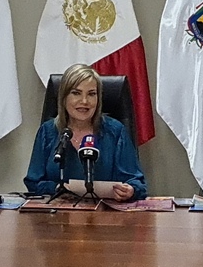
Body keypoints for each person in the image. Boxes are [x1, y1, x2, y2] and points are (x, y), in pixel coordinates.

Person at [25, 63, 147, 201]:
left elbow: (137, 183)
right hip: (59, 211)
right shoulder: (48, 131)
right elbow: (33, 182)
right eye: (76, 93)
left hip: (104, 211)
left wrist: (131, 190)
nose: (84, 101)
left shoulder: (115, 131)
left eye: (91, 94)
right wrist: (58, 188)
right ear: (63, 98)